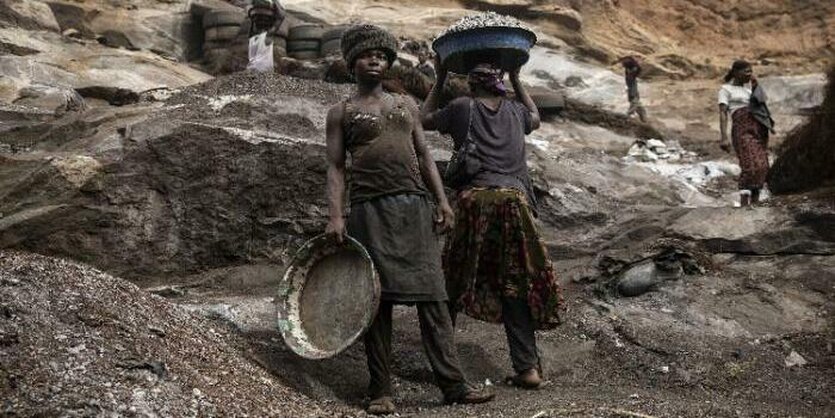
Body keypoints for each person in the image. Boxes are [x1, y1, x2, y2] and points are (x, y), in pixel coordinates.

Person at [324, 24, 494, 415]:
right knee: (376, 302)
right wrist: (336, 216)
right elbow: (335, 167)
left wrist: (442, 202)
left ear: (389, 64)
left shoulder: (406, 106)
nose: (375, 61)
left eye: (382, 56)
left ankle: (453, 385)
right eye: (367, 55)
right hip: (369, 210)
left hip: (414, 208)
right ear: (352, 63)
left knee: (434, 297)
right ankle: (380, 390)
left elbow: (422, 157)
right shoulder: (341, 113)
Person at [420, 59, 564, 389]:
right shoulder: (516, 111)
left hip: (474, 201)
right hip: (514, 203)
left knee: (453, 280)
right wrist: (517, 78)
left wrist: (439, 77)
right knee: (514, 283)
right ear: (500, 83)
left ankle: (443, 366)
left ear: (471, 84)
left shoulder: (460, 107)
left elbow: (421, 119)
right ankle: (527, 368)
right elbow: (537, 118)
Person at [718, 60, 774, 206]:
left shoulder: (749, 91)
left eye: (751, 71)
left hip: (758, 129)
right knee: (749, 164)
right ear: (736, 72)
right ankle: (744, 202)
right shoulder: (725, 89)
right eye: (746, 71)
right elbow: (723, 113)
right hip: (742, 130)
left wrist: (756, 85)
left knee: (762, 165)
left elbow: (762, 103)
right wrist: (723, 137)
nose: (750, 74)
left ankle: (755, 202)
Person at [621, 56, 647, 122]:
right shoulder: (629, 71)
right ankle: (643, 117)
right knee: (637, 104)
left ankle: (629, 114)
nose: (622, 64)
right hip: (631, 88)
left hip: (633, 89)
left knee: (634, 102)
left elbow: (638, 68)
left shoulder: (632, 73)